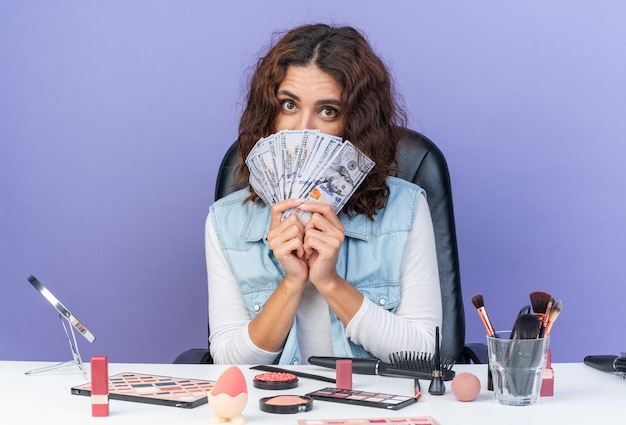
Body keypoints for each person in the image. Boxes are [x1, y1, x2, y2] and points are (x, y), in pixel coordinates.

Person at [206, 23, 442, 365]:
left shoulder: (405, 209)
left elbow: (423, 356)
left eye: (327, 111)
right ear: (269, 112)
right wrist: (292, 282)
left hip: (370, 409)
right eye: (289, 105)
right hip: (275, 410)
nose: (303, 130)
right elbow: (228, 363)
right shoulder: (226, 222)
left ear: (355, 123)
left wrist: (329, 282)